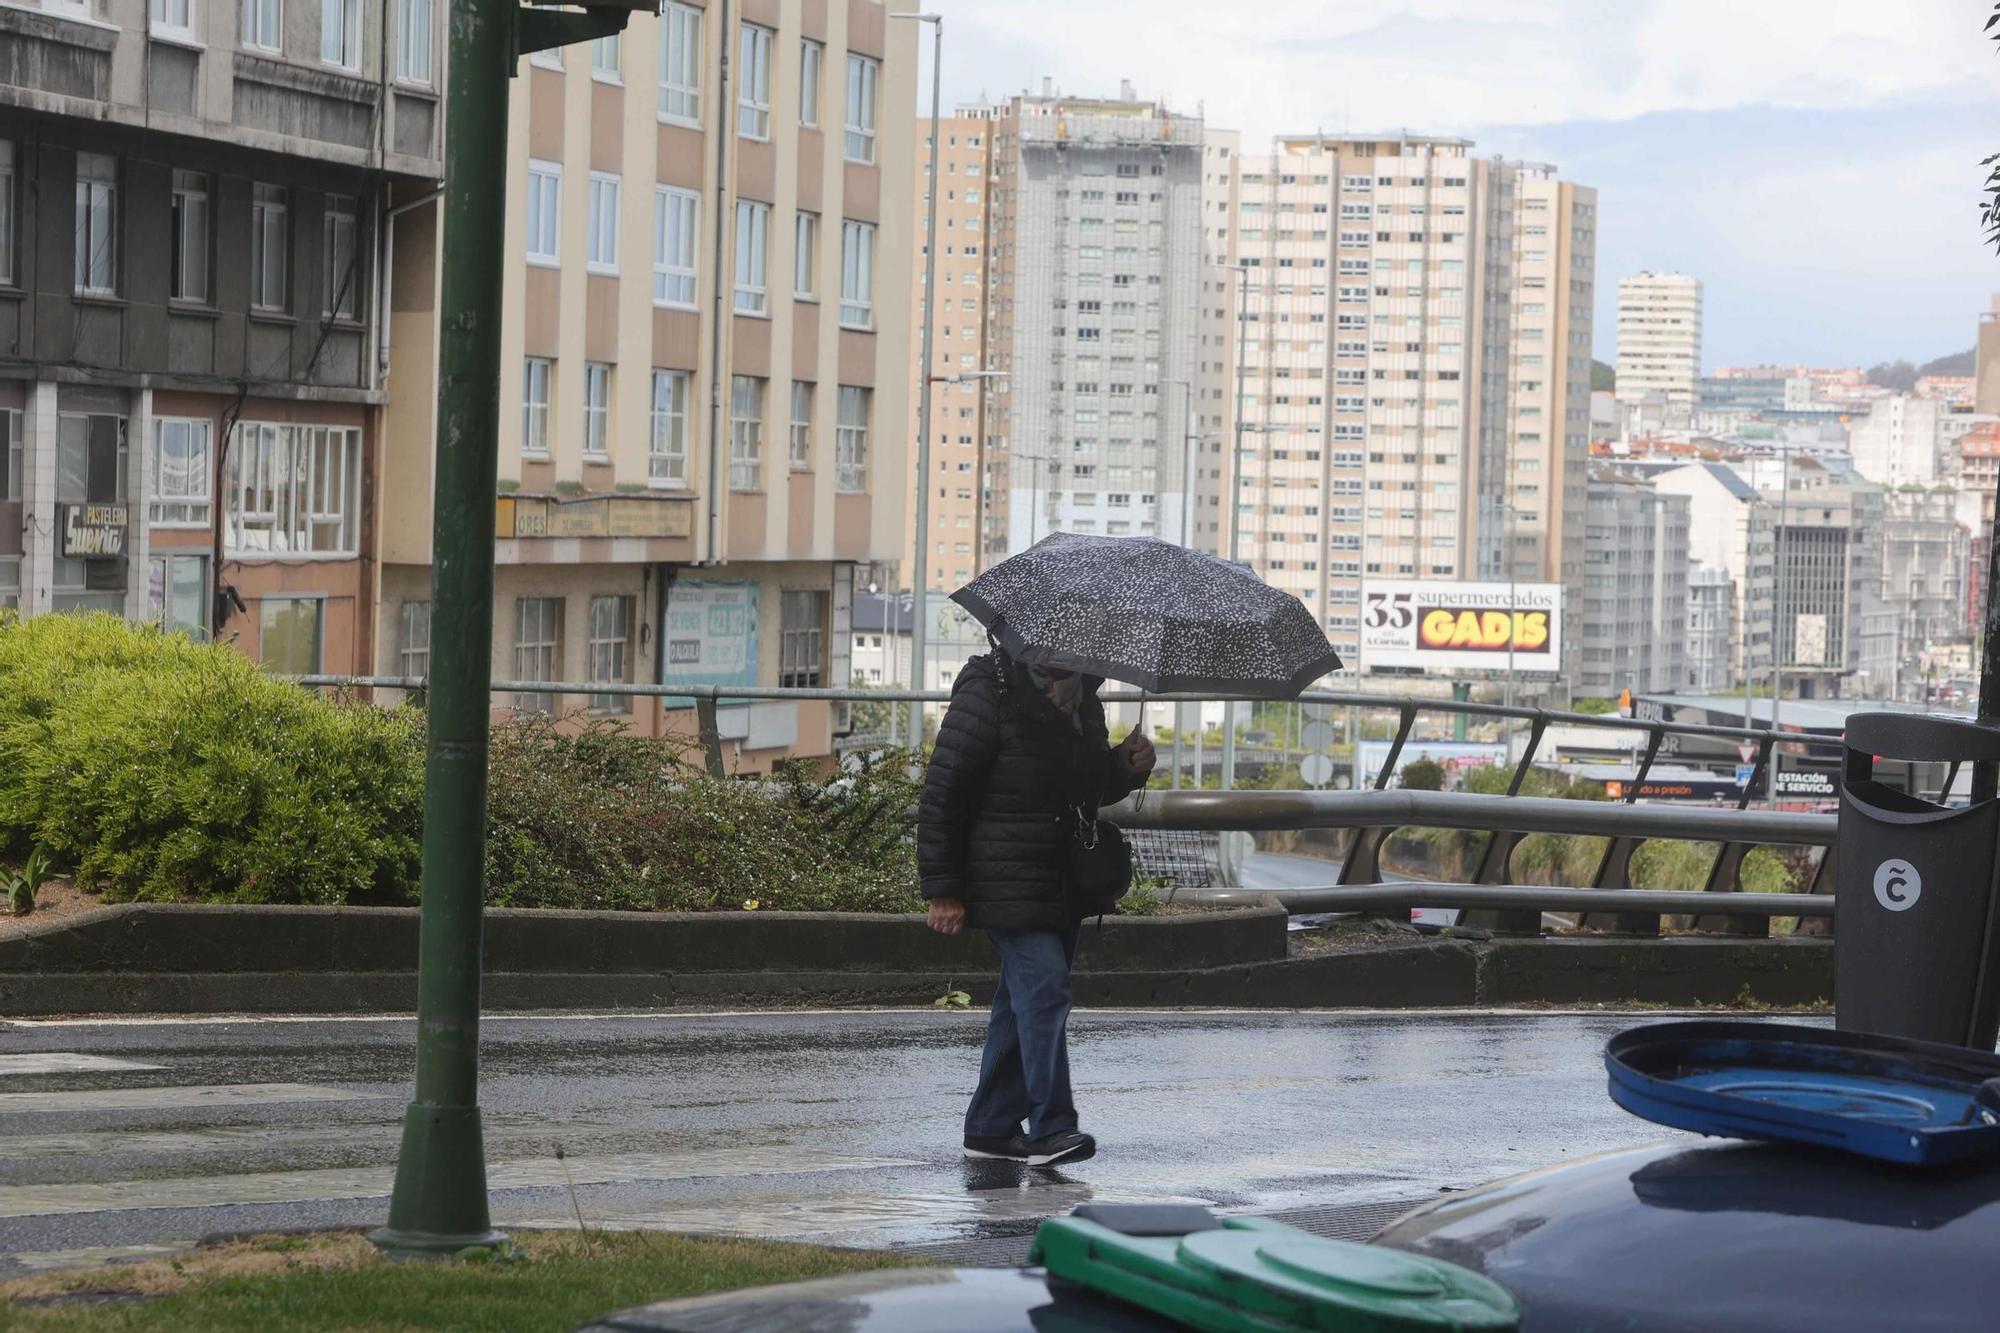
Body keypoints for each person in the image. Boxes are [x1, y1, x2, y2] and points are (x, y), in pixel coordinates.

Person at [916, 648, 1156, 1167]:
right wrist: (943, 888)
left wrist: (1124, 765)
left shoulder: (1083, 695)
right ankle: (1052, 1126)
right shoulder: (990, 686)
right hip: (1001, 876)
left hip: (1062, 877)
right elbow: (944, 790)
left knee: (1021, 1002)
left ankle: (990, 1126)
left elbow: (1085, 786)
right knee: (1045, 989)